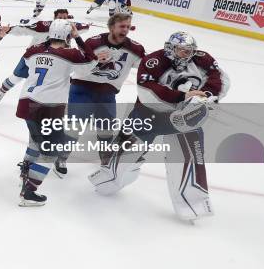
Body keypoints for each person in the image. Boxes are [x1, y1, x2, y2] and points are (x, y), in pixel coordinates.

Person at [89, 31, 230, 221]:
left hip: (184, 120)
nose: (187, 54)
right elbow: (147, 91)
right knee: (118, 163)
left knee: (189, 159)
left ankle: (193, 204)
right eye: (182, 50)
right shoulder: (153, 61)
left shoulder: (202, 59)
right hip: (147, 115)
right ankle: (108, 180)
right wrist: (181, 97)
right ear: (171, 49)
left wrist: (204, 95)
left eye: (190, 50)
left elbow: (219, 79)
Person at [16, 19, 101, 206]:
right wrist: (78, 38)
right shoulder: (69, 54)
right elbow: (91, 62)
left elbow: (30, 62)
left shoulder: (33, 50)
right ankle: (29, 191)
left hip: (25, 103)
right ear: (67, 36)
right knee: (52, 151)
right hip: (47, 108)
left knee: (36, 140)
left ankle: (26, 171)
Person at [54, 13, 145, 177]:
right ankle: (61, 157)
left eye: (127, 26)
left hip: (107, 93)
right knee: (75, 128)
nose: (125, 30)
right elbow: (79, 68)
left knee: (106, 129)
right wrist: (95, 61)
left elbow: (146, 69)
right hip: (83, 89)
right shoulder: (94, 42)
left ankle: (105, 159)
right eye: (121, 26)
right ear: (111, 27)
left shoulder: (136, 49)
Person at [0, 9, 90, 104]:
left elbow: (84, 27)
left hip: (57, 61)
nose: (63, 20)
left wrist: (87, 26)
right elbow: (24, 29)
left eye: (65, 18)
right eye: (60, 18)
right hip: (34, 58)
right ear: (54, 18)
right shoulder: (43, 26)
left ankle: (54, 103)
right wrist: (10, 29)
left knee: (58, 83)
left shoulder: (70, 27)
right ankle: (3, 90)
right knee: (16, 77)